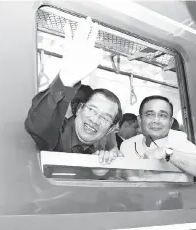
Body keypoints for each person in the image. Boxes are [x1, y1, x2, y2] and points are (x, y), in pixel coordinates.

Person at [25, 17, 124, 179]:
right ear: (78, 109)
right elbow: (37, 126)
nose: (95, 120)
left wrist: (112, 165)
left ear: (111, 129)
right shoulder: (57, 133)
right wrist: (66, 79)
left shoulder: (103, 142)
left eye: (105, 118)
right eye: (92, 110)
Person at [119, 95, 196, 182]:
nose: (156, 120)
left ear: (170, 122)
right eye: (150, 114)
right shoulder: (127, 145)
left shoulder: (178, 140)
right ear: (140, 120)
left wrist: (166, 153)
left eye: (163, 115)